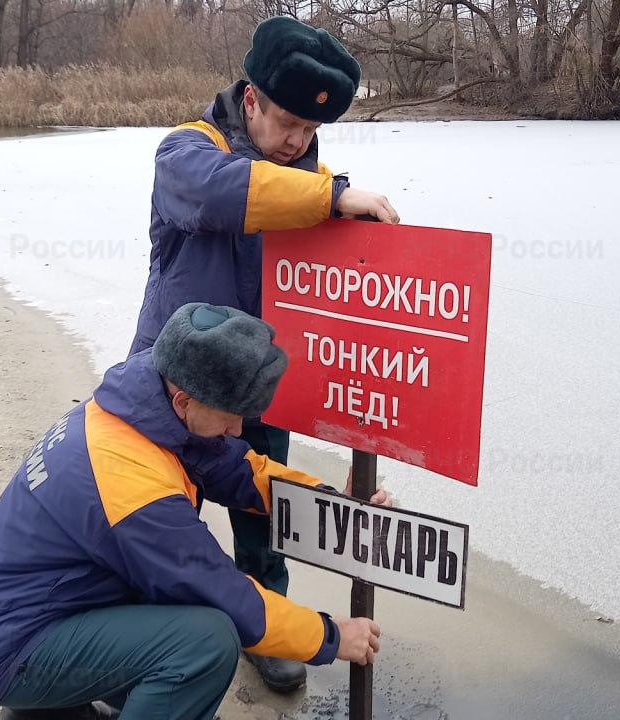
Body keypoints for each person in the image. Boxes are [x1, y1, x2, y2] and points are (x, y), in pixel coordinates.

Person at [0, 302, 387, 720]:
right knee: (205, 644)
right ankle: (39, 696)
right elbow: (221, 591)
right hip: (6, 647)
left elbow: (236, 468)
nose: (237, 430)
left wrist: (329, 499)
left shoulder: (141, 407)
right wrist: (329, 637)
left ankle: (48, 711)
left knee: (166, 602)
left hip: (29, 610)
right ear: (184, 402)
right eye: (231, 417)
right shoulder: (132, 480)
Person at [128, 15, 400, 693]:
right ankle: (143, 635)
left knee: (262, 510)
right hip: (175, 386)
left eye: (311, 133)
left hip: (261, 386)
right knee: (159, 519)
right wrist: (331, 196)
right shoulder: (186, 152)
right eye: (286, 124)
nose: (297, 142)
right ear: (250, 99)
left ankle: (264, 624)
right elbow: (226, 192)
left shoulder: (315, 180)